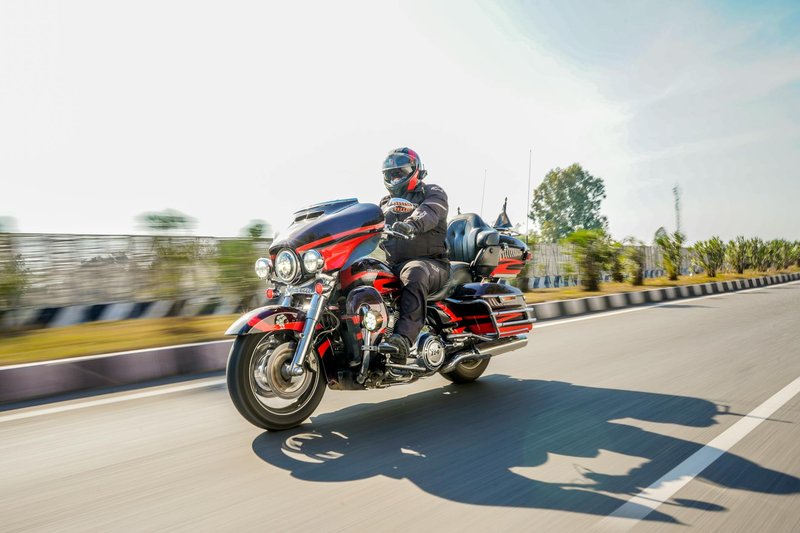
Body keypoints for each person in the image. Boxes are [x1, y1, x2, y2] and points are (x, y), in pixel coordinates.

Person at [378, 147, 449, 363]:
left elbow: (429, 211)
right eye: (391, 174)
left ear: (416, 170)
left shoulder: (433, 192)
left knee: (414, 272)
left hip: (431, 264)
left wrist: (411, 225)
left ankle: (402, 339)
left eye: (400, 172)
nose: (395, 177)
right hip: (394, 265)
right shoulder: (383, 203)